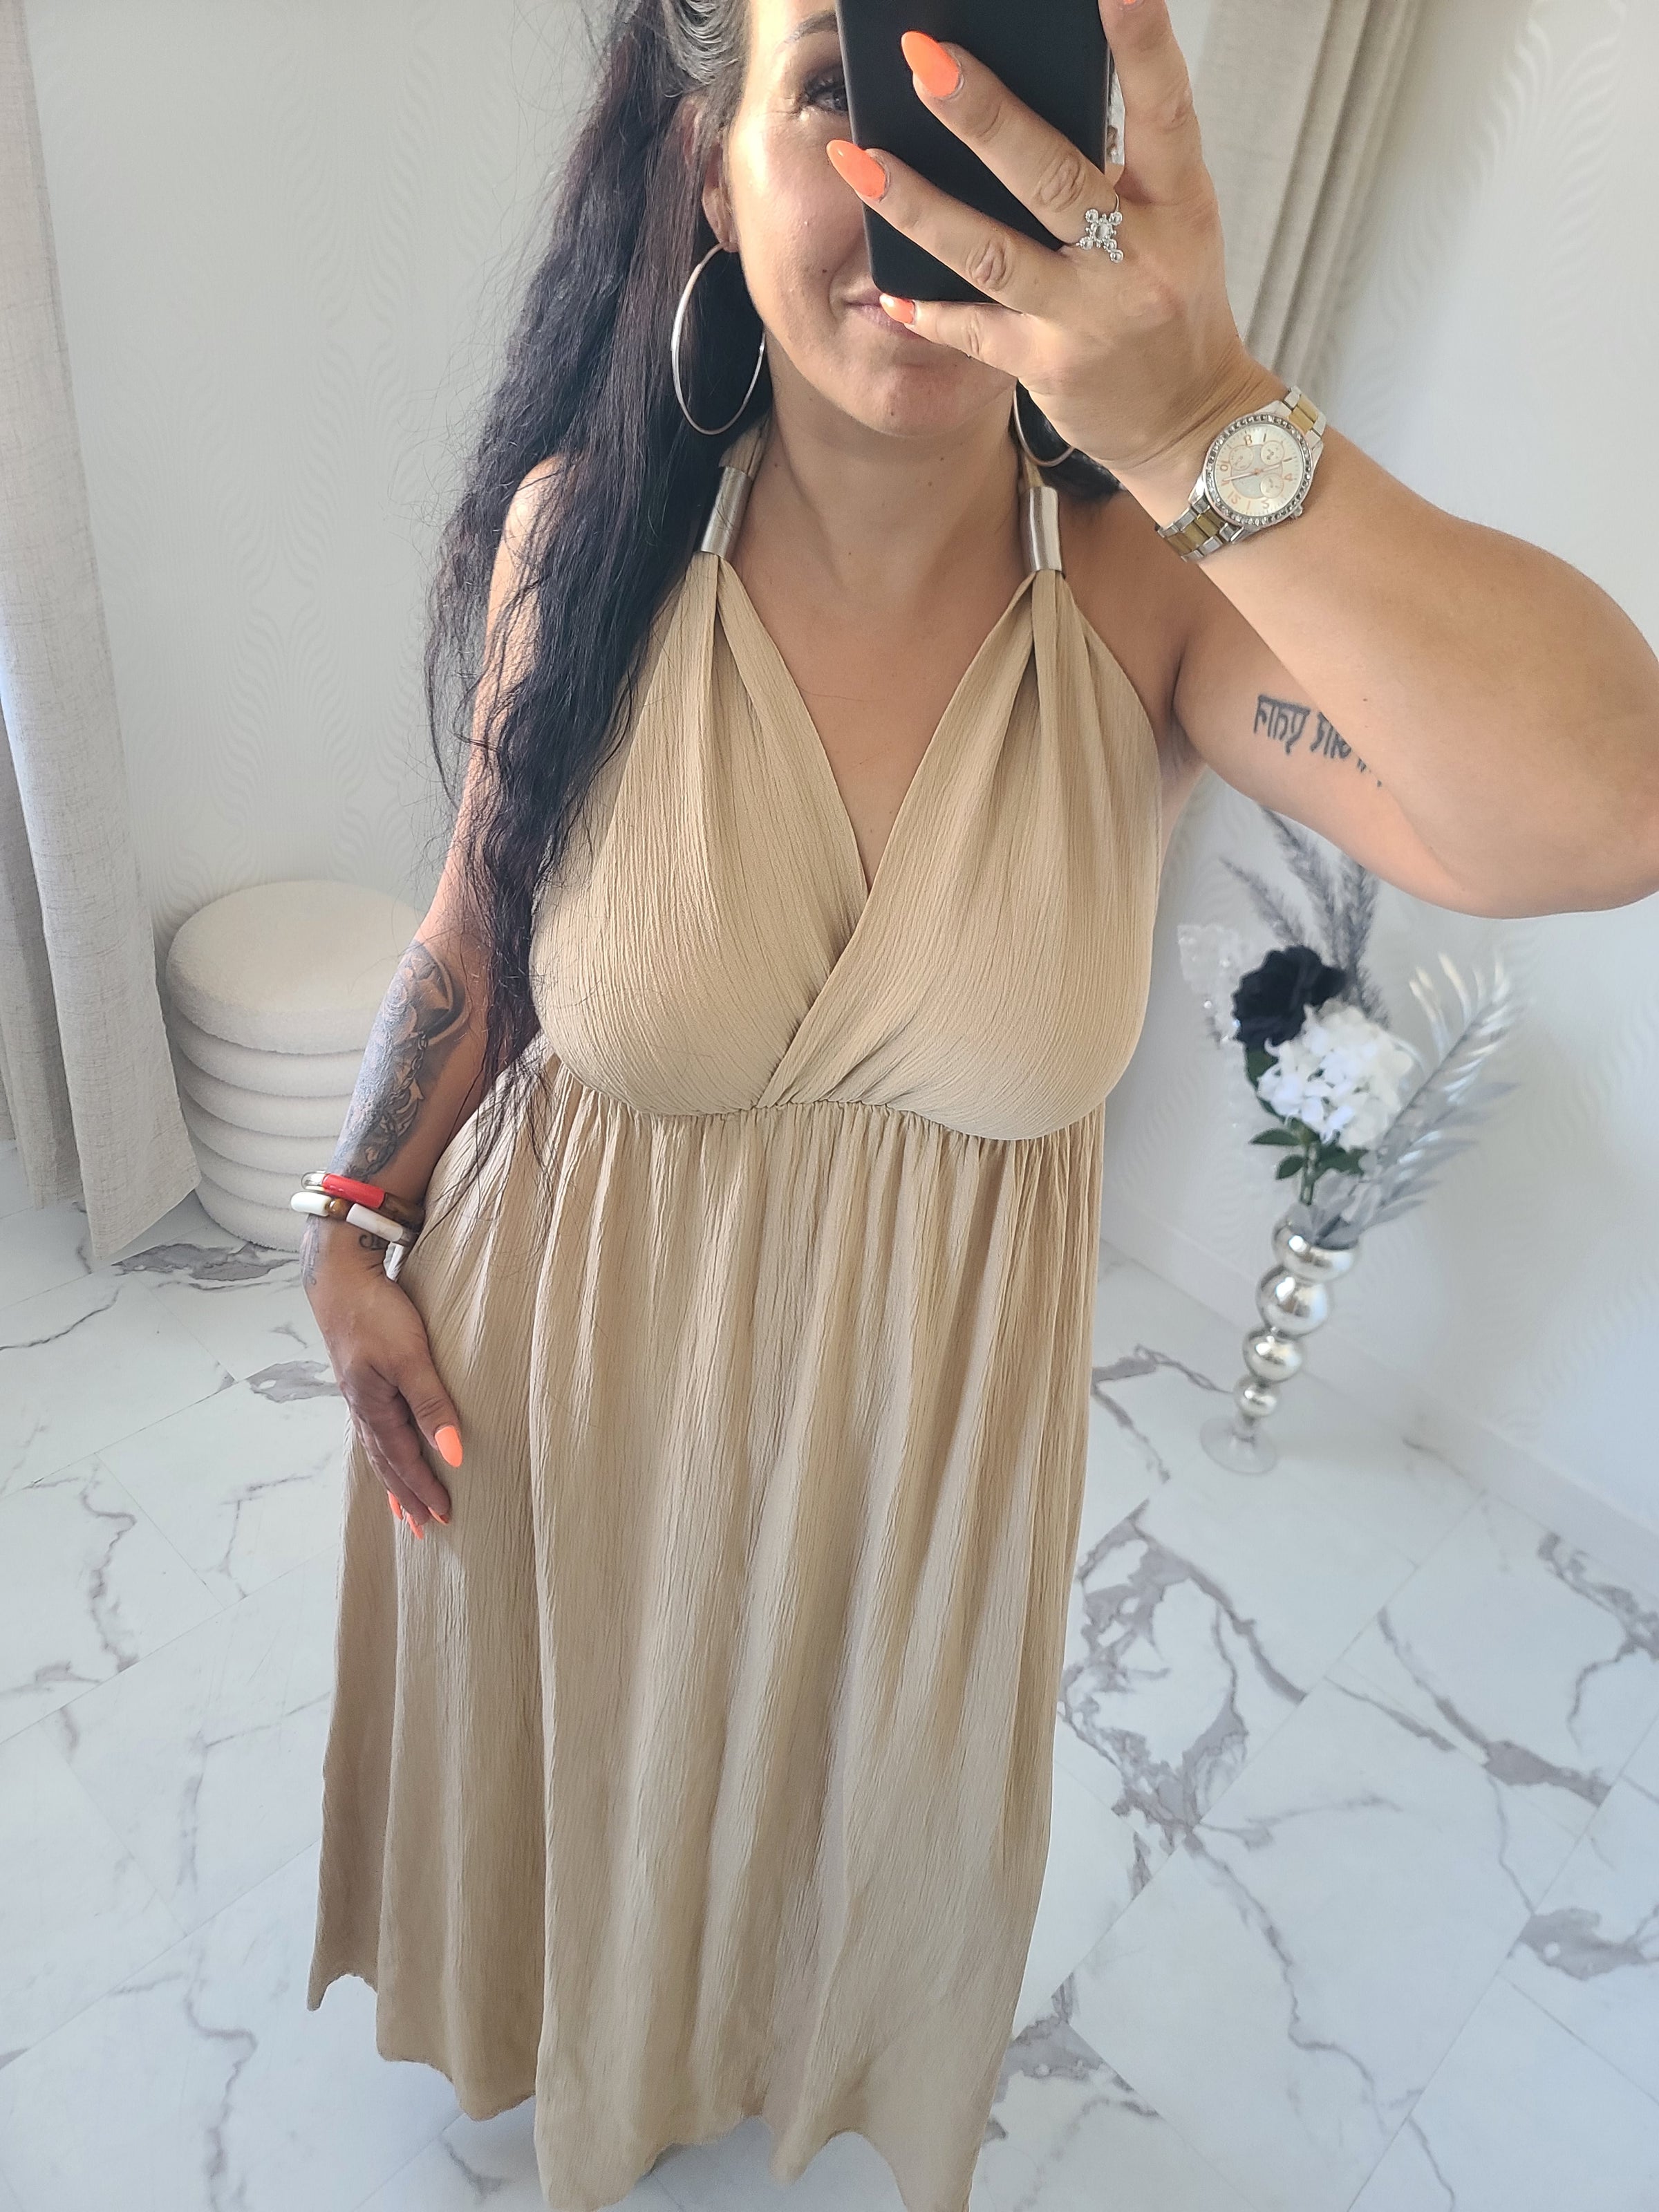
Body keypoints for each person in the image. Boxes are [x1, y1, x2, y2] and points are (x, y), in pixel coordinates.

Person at [300, 3, 1659, 2209]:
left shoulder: (1157, 605)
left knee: (821, 1828)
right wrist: (354, 1211)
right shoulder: (590, 537)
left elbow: (1606, 805)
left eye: (988, 100)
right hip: (561, 1399)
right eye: (842, 98)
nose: (921, 183)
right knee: (576, 1793)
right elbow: (477, 926)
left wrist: (1207, 419)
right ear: (709, 168)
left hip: (911, 1478)